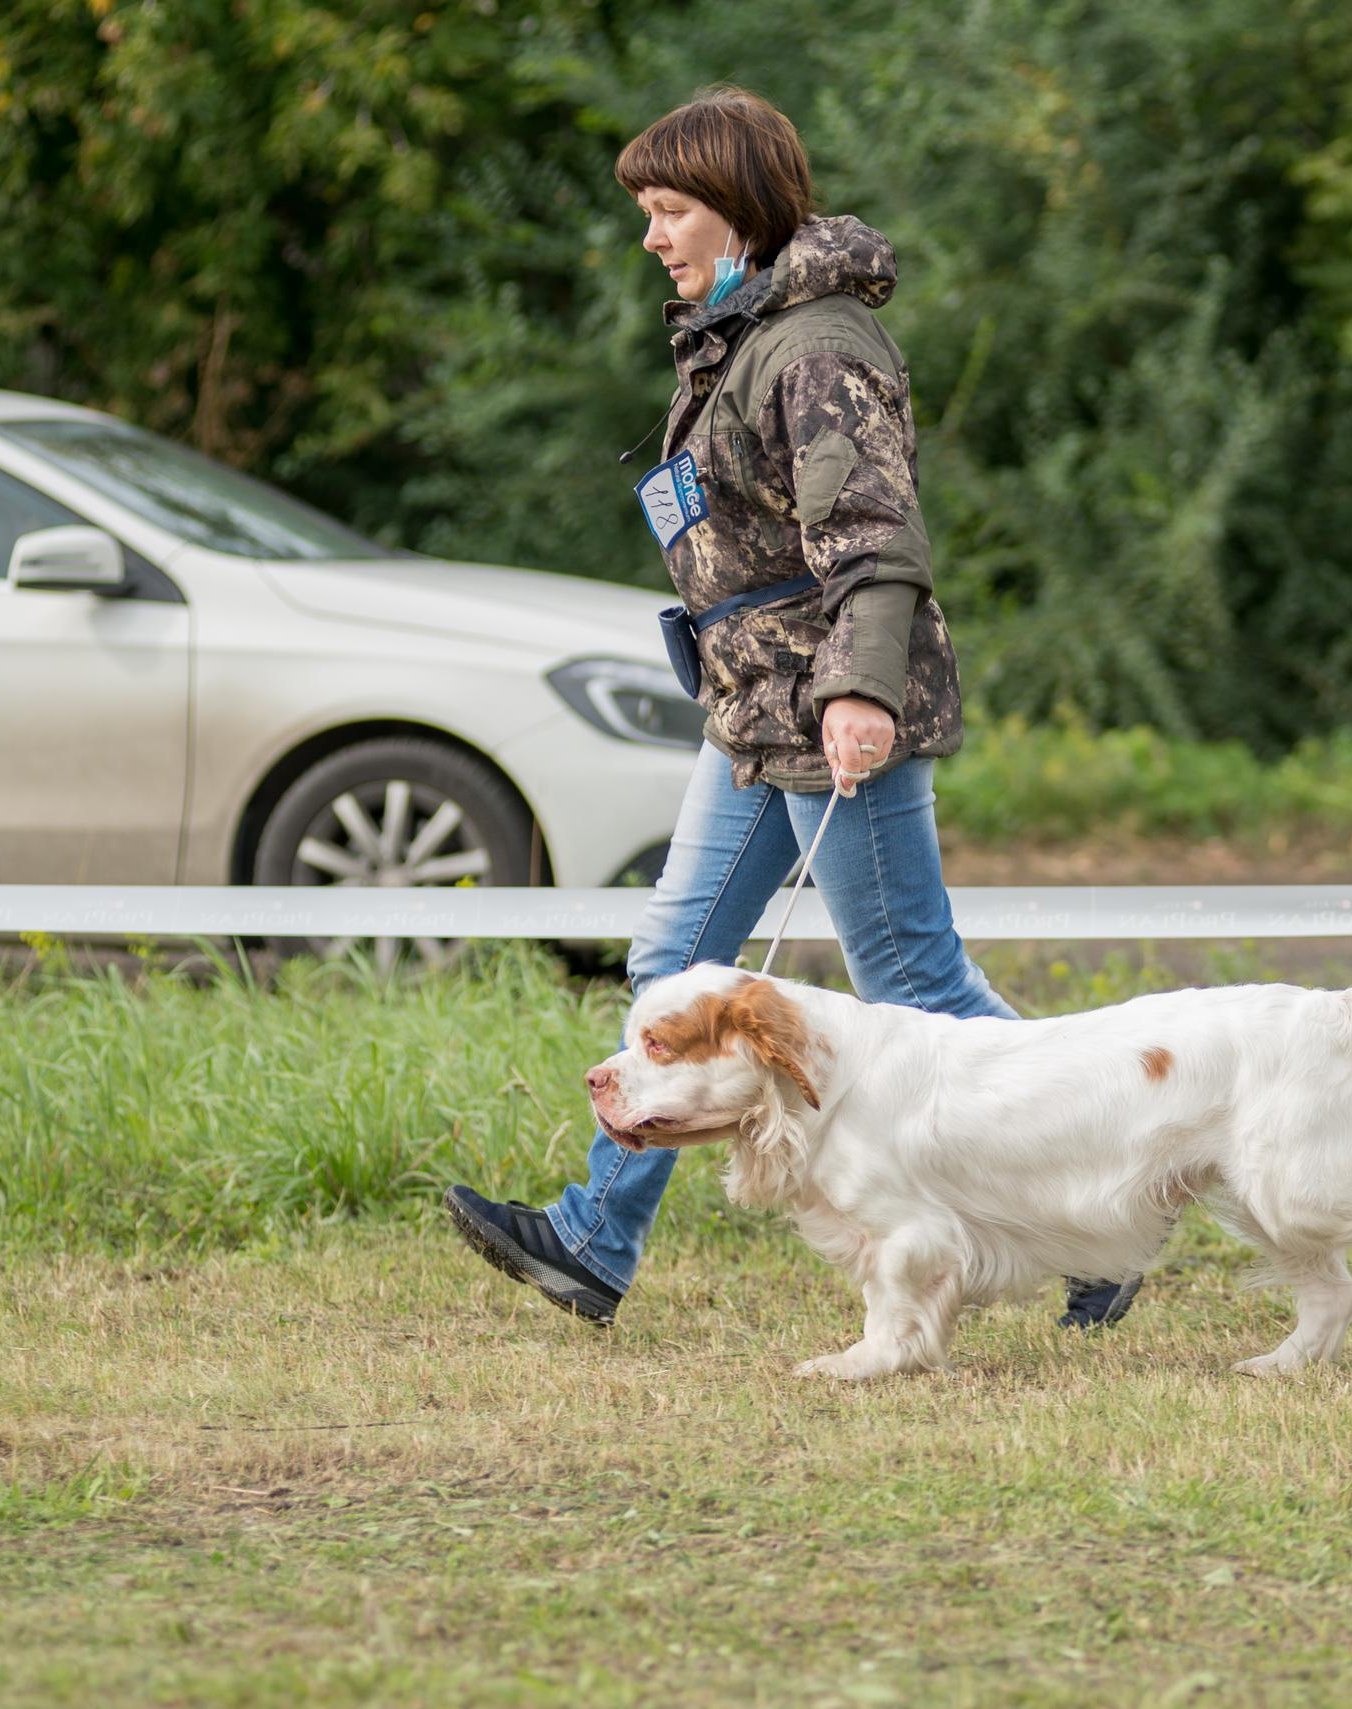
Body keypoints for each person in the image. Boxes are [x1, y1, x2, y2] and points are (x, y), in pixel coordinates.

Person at [443, 86, 1144, 1334]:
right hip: (756, 711)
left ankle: (1098, 1218)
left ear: (739, 206)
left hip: (827, 707)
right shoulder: (740, 333)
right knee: (672, 966)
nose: (652, 236)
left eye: (671, 210)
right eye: (648, 211)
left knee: (915, 980)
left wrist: (859, 689)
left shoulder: (817, 344)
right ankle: (593, 1241)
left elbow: (874, 535)